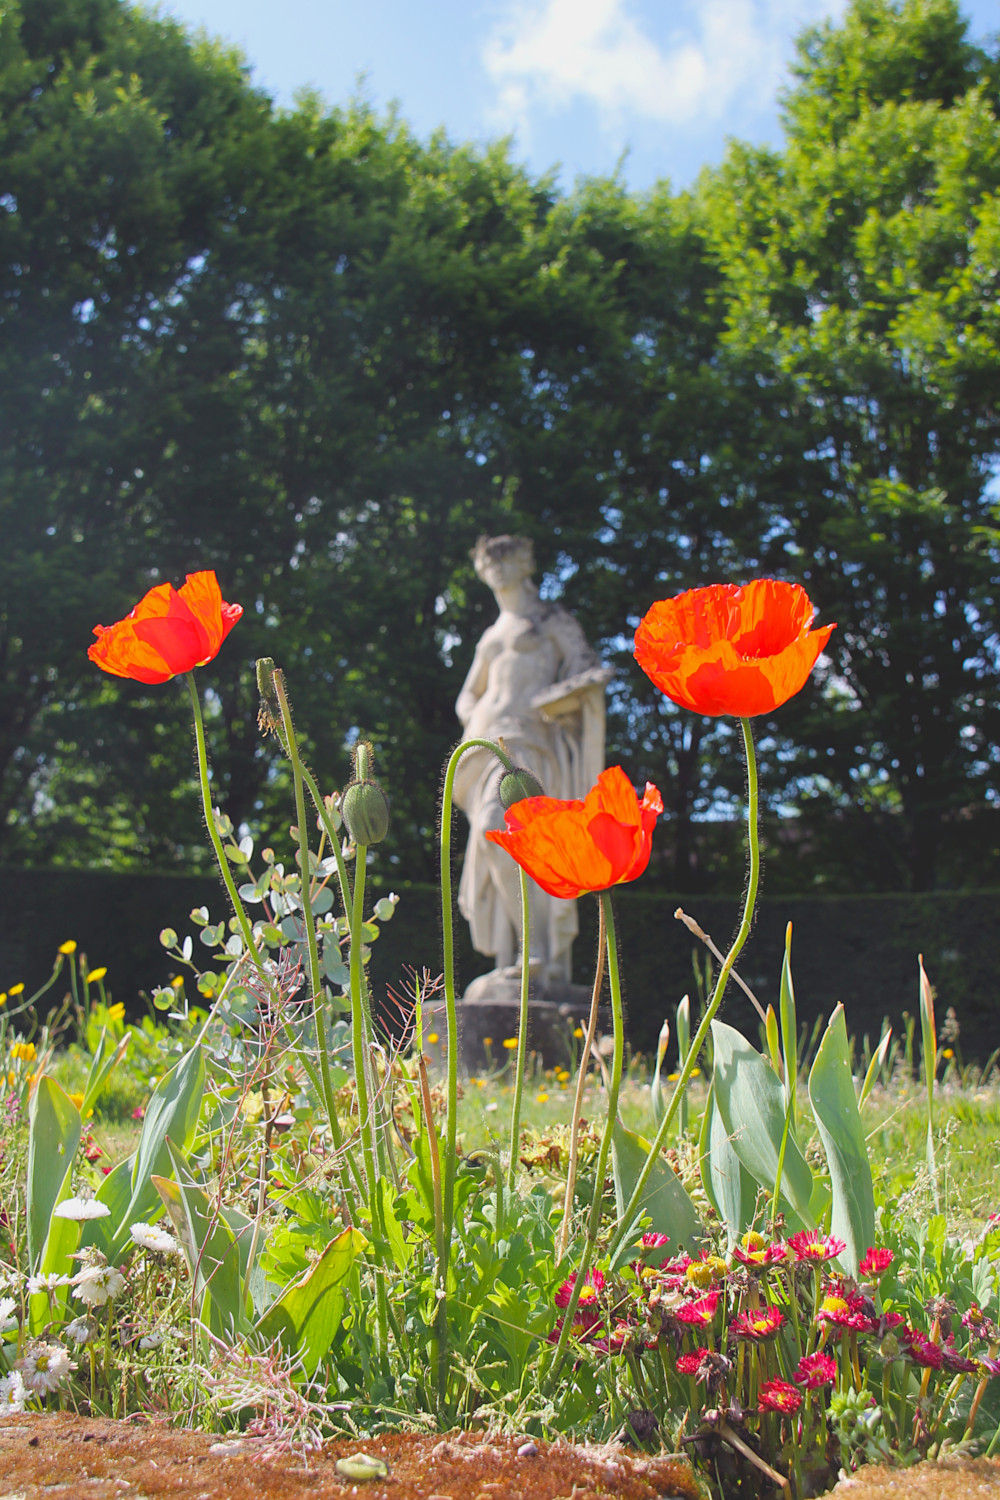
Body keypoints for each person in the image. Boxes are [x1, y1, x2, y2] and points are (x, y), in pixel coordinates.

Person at [454, 535, 610, 987]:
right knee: (493, 837)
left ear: (526, 562)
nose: (498, 568)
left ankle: (536, 947)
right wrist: (476, 718)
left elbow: (585, 672)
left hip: (528, 743)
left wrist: (558, 699)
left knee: (499, 831)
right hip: (484, 746)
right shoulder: (491, 634)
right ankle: (520, 953)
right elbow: (468, 695)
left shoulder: (550, 619)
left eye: (507, 558)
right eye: (489, 561)